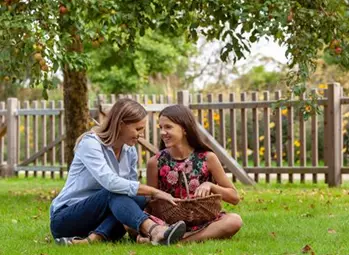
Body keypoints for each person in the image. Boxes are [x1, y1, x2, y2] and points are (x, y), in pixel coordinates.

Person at [50, 98, 186, 246]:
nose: (141, 135)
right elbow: (111, 182)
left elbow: (130, 193)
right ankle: (154, 230)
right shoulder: (90, 143)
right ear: (121, 125)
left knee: (138, 199)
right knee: (113, 191)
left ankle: (91, 240)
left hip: (99, 220)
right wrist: (155, 192)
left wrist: (135, 216)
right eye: (138, 129)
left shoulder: (129, 151)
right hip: (66, 219)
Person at [146, 104, 242, 242]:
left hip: (202, 221)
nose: (162, 132)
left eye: (168, 127)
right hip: (168, 223)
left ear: (184, 129)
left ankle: (179, 240)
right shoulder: (155, 162)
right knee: (130, 223)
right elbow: (151, 202)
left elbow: (234, 198)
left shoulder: (208, 158)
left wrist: (211, 185)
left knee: (234, 221)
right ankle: (168, 236)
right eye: (161, 127)